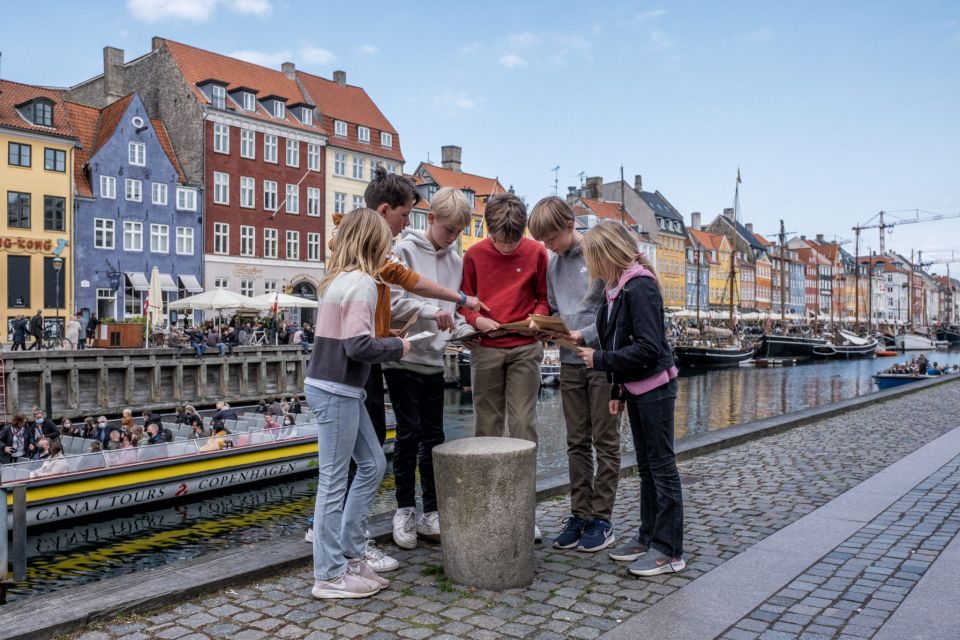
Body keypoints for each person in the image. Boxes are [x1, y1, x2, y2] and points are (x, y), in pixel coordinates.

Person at [304, 208, 410, 599]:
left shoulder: (340, 279)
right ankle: (329, 574)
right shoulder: (364, 283)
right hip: (336, 391)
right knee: (333, 481)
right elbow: (359, 346)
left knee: (372, 463)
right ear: (375, 242)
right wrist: (399, 345)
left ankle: (349, 554)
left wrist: (385, 336)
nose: (391, 247)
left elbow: (354, 336)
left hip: (337, 388)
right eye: (388, 241)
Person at [578, 221, 685, 577]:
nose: (590, 268)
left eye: (592, 259)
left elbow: (648, 348)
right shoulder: (617, 288)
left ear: (606, 255)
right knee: (646, 468)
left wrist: (599, 361)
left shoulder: (639, 287)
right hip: (637, 388)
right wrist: (617, 390)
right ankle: (647, 536)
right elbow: (619, 340)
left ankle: (669, 550)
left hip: (655, 388)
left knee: (662, 468)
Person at [528, 196, 620, 553]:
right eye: (543, 241)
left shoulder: (598, 256)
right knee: (576, 441)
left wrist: (588, 337)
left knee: (606, 441)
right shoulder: (553, 266)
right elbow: (553, 307)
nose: (548, 246)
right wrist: (545, 328)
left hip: (599, 359)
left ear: (570, 226)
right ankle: (579, 514)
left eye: (551, 238)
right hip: (568, 361)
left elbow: (612, 310)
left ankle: (602, 518)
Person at [385, 187, 475, 549]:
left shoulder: (455, 261)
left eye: (458, 232)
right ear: (432, 219)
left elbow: (451, 314)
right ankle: (404, 508)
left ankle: (432, 510)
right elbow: (393, 301)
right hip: (403, 358)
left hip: (434, 361)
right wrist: (429, 311)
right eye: (448, 229)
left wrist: (468, 331)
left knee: (434, 437)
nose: (452, 237)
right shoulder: (403, 249)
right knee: (408, 436)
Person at [459, 193, 549, 539]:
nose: (509, 247)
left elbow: (543, 298)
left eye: (514, 240)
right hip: (486, 347)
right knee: (487, 425)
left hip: (525, 346)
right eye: (502, 239)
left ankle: (525, 510)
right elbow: (464, 302)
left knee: (525, 425)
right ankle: (489, 505)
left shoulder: (536, 252)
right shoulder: (475, 255)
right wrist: (476, 320)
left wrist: (537, 318)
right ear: (489, 229)